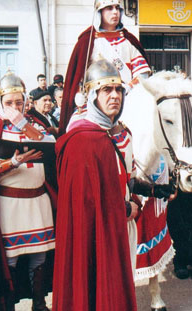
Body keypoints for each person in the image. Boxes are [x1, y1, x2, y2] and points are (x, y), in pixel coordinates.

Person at [53, 59, 139, 310]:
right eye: (106, 90)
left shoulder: (115, 132)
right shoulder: (83, 140)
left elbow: (118, 179)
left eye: (119, 90)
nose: (115, 96)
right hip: (93, 235)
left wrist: (149, 189)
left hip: (114, 228)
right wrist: (124, 209)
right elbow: (85, 203)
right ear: (91, 96)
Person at [0, 73, 56, 311]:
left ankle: (39, 303)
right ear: (1, 102)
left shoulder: (36, 125)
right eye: (9, 103)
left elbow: (51, 145)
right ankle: (7, 304)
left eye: (18, 102)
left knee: (40, 255)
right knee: (9, 258)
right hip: (9, 203)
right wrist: (13, 162)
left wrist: (25, 125)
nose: (14, 107)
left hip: (38, 201)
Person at [60, 0, 151, 134]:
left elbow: (143, 74)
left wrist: (128, 88)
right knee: (75, 129)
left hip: (127, 99)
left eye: (117, 8)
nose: (115, 12)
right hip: (96, 101)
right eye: (109, 8)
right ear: (99, 13)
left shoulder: (128, 40)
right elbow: (79, 78)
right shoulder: (88, 41)